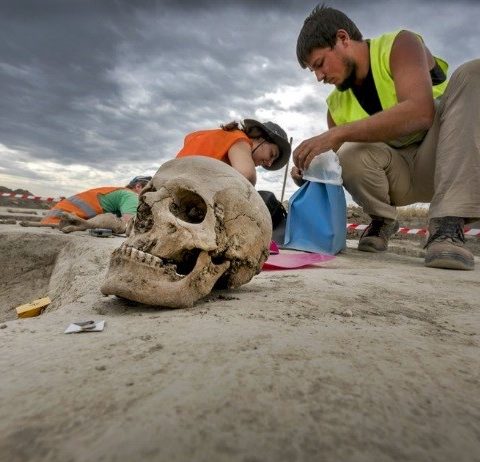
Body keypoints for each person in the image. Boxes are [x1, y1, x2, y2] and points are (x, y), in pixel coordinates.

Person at [292, 4, 479, 270]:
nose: (319, 76)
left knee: (473, 72)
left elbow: (421, 112)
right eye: (313, 70)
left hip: (447, 161)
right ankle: (382, 219)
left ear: (343, 39)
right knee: (346, 154)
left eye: (320, 64)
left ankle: (447, 223)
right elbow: (337, 164)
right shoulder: (336, 105)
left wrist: (338, 133)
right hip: (398, 177)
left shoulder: (399, 44)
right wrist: (310, 170)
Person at [175, 119, 291, 185]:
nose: (269, 164)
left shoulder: (209, 136)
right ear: (261, 137)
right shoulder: (239, 140)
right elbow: (247, 175)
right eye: (272, 154)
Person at [37, 176, 152, 234]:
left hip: (50, 221)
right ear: (138, 187)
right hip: (59, 224)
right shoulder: (131, 196)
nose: (151, 194)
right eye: (150, 189)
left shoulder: (118, 192)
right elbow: (129, 225)